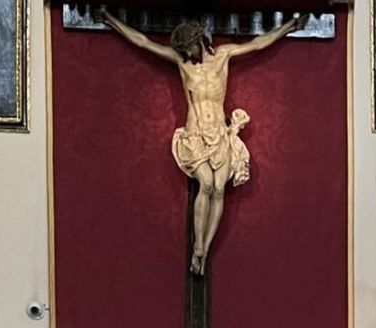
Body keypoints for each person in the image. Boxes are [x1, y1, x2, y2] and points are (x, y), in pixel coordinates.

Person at [96, 9, 307, 276]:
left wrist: (288, 26)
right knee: (205, 184)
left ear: (200, 40)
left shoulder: (223, 56)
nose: (187, 53)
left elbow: (258, 43)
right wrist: (113, 21)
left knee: (219, 189)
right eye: (183, 49)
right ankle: (197, 245)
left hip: (219, 133)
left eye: (189, 47)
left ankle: (204, 250)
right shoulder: (182, 62)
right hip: (196, 134)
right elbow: (144, 42)